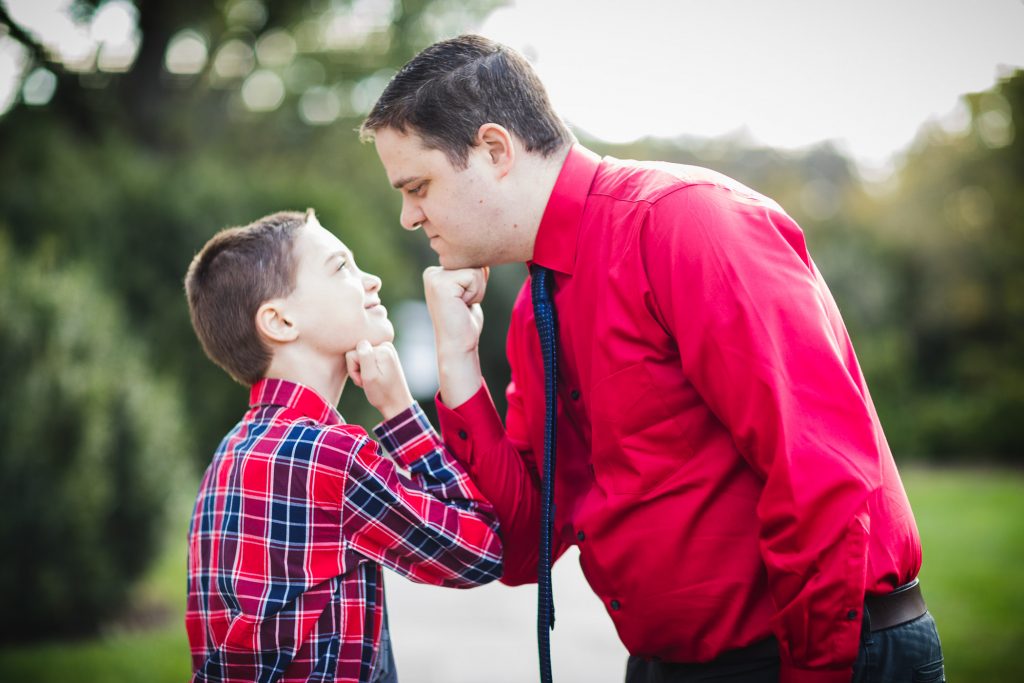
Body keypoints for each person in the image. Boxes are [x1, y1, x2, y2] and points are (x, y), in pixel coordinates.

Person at [360, 34, 944, 683]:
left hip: (816, 653)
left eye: (418, 186)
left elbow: (822, 478)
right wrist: (457, 360)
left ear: (496, 150)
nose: (410, 216)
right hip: (671, 666)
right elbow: (526, 543)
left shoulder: (685, 224)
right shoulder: (535, 307)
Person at [182, 208, 503, 683]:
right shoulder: (330, 457)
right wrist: (399, 411)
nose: (370, 280)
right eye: (340, 268)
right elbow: (480, 550)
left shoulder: (229, 454)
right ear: (280, 321)